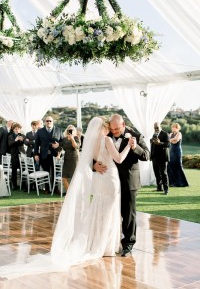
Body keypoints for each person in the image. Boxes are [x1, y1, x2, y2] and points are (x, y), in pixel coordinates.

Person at [0, 116, 134, 279]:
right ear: (104, 128)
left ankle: (99, 243)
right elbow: (118, 158)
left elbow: (88, 160)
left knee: (100, 209)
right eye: (108, 127)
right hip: (110, 178)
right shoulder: (106, 139)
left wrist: (95, 164)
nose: (111, 130)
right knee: (109, 211)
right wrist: (129, 145)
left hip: (100, 179)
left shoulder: (91, 143)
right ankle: (106, 246)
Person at [94, 114, 150, 257]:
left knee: (128, 214)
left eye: (117, 129)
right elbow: (92, 155)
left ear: (123, 124)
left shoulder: (136, 135)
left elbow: (146, 156)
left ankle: (128, 244)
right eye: (112, 130)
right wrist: (94, 165)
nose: (115, 132)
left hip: (128, 182)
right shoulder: (105, 137)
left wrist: (135, 147)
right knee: (109, 213)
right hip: (109, 181)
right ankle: (109, 243)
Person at [34, 116, 63, 194]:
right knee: (46, 172)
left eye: (50, 121)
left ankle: (55, 188)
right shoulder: (40, 131)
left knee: (54, 172)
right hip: (44, 155)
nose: (48, 122)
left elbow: (62, 142)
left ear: (53, 121)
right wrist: (36, 154)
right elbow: (36, 144)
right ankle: (47, 188)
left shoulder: (58, 130)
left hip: (55, 155)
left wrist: (59, 146)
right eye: (47, 121)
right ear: (45, 122)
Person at [150, 122, 170, 195]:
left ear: (160, 126)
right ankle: (159, 188)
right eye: (155, 128)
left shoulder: (165, 134)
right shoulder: (154, 134)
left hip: (162, 157)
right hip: (154, 157)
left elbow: (168, 144)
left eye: (157, 127)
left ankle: (166, 189)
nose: (156, 129)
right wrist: (152, 140)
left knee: (163, 174)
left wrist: (160, 143)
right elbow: (152, 144)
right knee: (156, 173)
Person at [167, 122, 189, 187]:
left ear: (177, 128)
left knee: (178, 166)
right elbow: (169, 140)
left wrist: (171, 140)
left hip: (177, 151)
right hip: (171, 151)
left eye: (175, 127)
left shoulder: (179, 133)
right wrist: (171, 140)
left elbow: (176, 140)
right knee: (170, 166)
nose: (173, 128)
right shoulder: (171, 134)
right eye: (173, 127)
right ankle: (173, 182)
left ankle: (182, 183)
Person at [59, 125, 80, 191]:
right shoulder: (64, 139)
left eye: (72, 130)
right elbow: (60, 147)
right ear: (66, 131)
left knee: (74, 177)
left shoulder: (76, 138)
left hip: (74, 159)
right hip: (66, 159)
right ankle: (70, 193)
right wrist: (58, 154)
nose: (70, 131)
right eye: (69, 130)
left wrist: (72, 139)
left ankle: (75, 193)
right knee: (64, 178)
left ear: (74, 131)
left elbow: (76, 147)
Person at [8, 122, 25, 190]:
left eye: (18, 129)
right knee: (14, 170)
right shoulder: (10, 136)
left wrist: (21, 140)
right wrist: (15, 140)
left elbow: (22, 144)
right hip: (14, 155)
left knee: (22, 170)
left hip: (21, 155)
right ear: (13, 129)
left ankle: (23, 184)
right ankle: (14, 185)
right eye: (16, 129)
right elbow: (10, 144)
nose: (17, 130)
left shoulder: (22, 135)